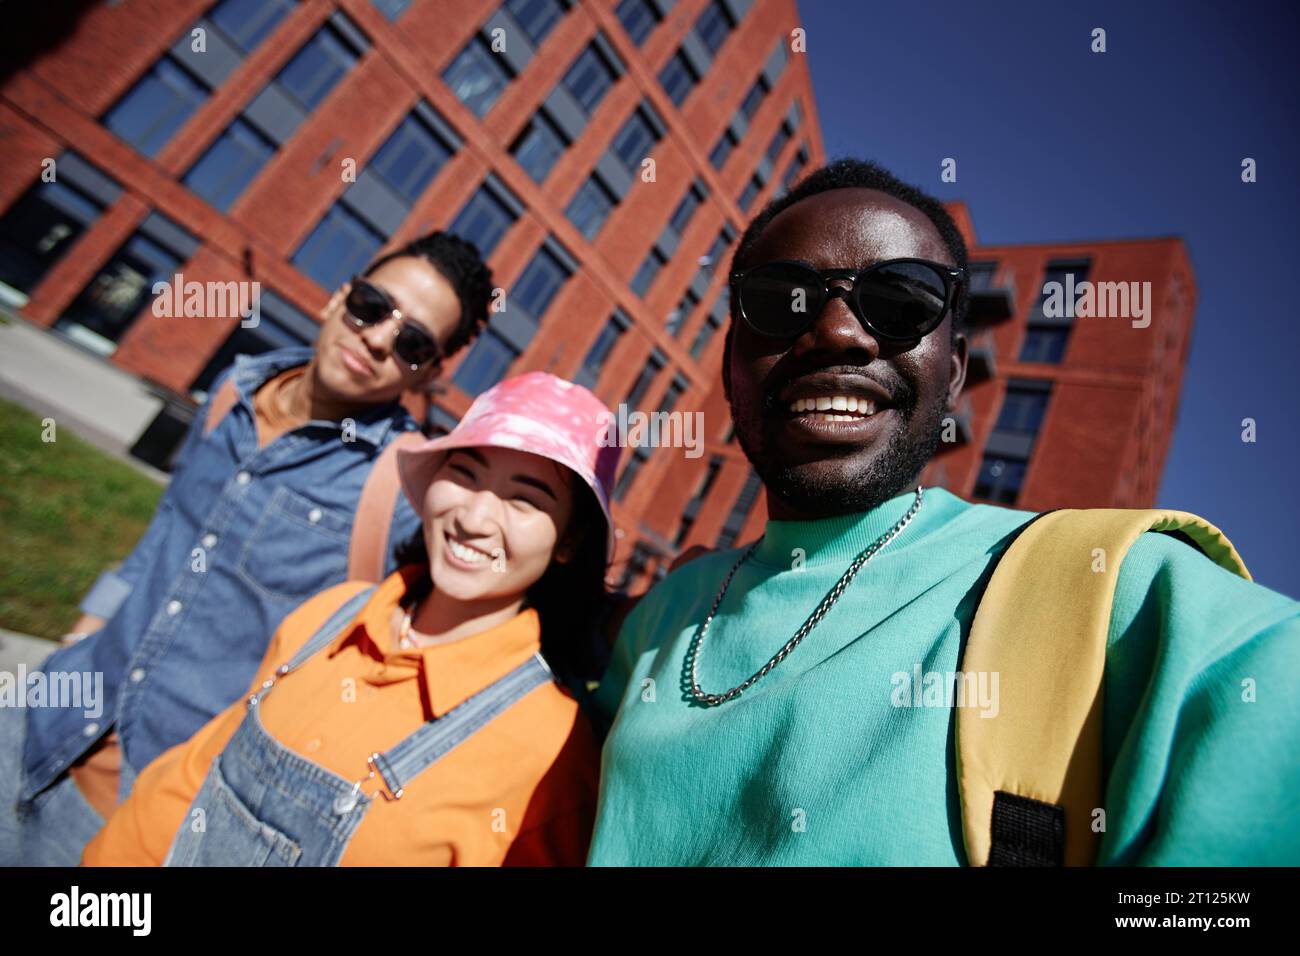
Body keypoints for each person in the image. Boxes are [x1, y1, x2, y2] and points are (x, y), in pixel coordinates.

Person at [586, 158, 1300, 866]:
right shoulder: (662, 615)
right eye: (784, 299)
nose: (840, 333)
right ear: (731, 362)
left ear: (953, 370)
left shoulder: (1107, 590)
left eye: (900, 302)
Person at [0, 231, 493, 865]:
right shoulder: (234, 390)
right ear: (338, 298)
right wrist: (84, 631)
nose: (376, 338)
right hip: (41, 718)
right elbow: (161, 538)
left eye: (412, 342)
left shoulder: (400, 490)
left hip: (134, 813)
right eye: (372, 306)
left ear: (428, 371)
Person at [81, 372, 617, 866]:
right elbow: (197, 777)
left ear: (569, 540)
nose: (474, 518)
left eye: (524, 501)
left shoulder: (555, 751)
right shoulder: (331, 613)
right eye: (465, 474)